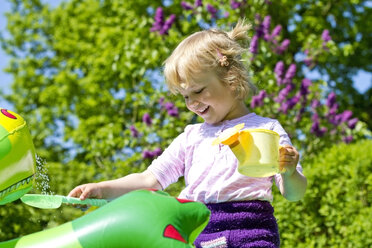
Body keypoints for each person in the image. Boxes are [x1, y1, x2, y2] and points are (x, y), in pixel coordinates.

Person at [68, 19, 307, 248]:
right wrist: (102, 188)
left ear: (230, 78)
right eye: (185, 97)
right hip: (199, 230)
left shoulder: (267, 129)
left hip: (252, 232)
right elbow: (149, 180)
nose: (192, 103)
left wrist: (287, 172)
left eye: (199, 91)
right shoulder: (192, 137)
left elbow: (295, 193)